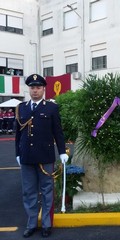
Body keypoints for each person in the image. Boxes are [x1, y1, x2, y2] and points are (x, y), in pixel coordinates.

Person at [15, 74, 69, 238]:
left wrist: (61, 151)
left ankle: (46, 224)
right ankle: (31, 223)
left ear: (43, 89)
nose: (35, 90)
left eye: (38, 87)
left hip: (45, 157)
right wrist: (18, 153)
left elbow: (57, 132)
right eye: (32, 87)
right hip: (26, 157)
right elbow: (18, 134)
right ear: (29, 89)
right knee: (29, 192)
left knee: (46, 191)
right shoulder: (21, 107)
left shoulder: (51, 108)